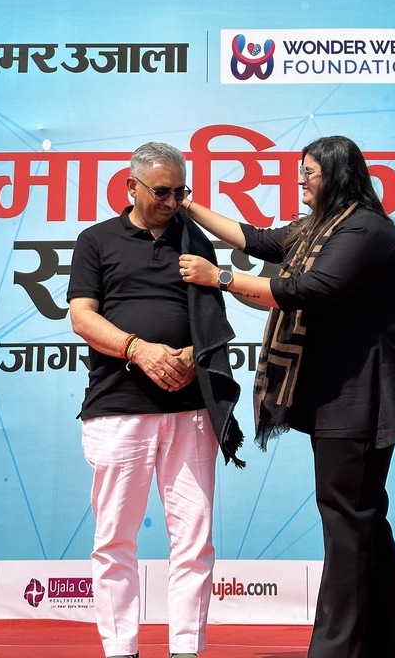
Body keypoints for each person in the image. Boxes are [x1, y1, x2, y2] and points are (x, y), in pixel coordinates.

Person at [178, 135, 395, 658]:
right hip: (338, 395)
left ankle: (336, 649)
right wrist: (189, 205)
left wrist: (220, 277)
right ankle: (390, 637)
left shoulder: (364, 230)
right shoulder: (322, 226)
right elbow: (257, 240)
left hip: (362, 398)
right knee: (359, 515)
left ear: (336, 175)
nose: (301, 180)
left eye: (309, 172)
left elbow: (306, 290)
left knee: (346, 516)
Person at [68, 142, 244, 658]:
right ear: (132, 186)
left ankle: (186, 648)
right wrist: (138, 350)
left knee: (194, 539)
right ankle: (120, 648)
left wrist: (192, 354)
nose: (171, 201)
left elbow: (212, 318)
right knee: (115, 539)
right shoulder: (96, 240)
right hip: (118, 408)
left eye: (180, 192)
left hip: (191, 412)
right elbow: (81, 317)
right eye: (161, 191)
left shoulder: (195, 240)